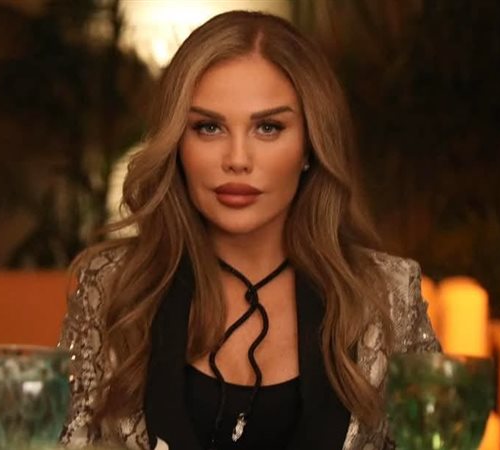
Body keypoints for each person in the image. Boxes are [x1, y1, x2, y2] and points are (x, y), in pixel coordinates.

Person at [59, 10, 439, 450]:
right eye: (209, 127)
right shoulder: (112, 287)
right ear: (176, 143)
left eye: (268, 127)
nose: (237, 159)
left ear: (310, 146)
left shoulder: (387, 295)